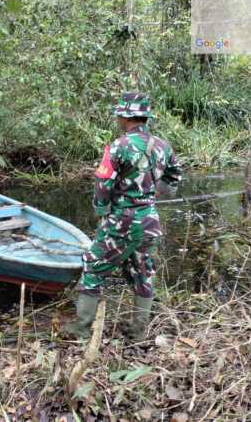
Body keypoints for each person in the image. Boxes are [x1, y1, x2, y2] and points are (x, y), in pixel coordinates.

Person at [64, 92, 182, 341]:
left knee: (93, 268)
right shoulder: (163, 146)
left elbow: (102, 183)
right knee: (143, 273)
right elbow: (174, 179)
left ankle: (82, 329)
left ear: (125, 116)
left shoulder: (119, 146)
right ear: (144, 117)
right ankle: (139, 331)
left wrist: (101, 211)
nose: (117, 117)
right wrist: (148, 197)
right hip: (150, 219)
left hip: (122, 221)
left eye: (119, 114)